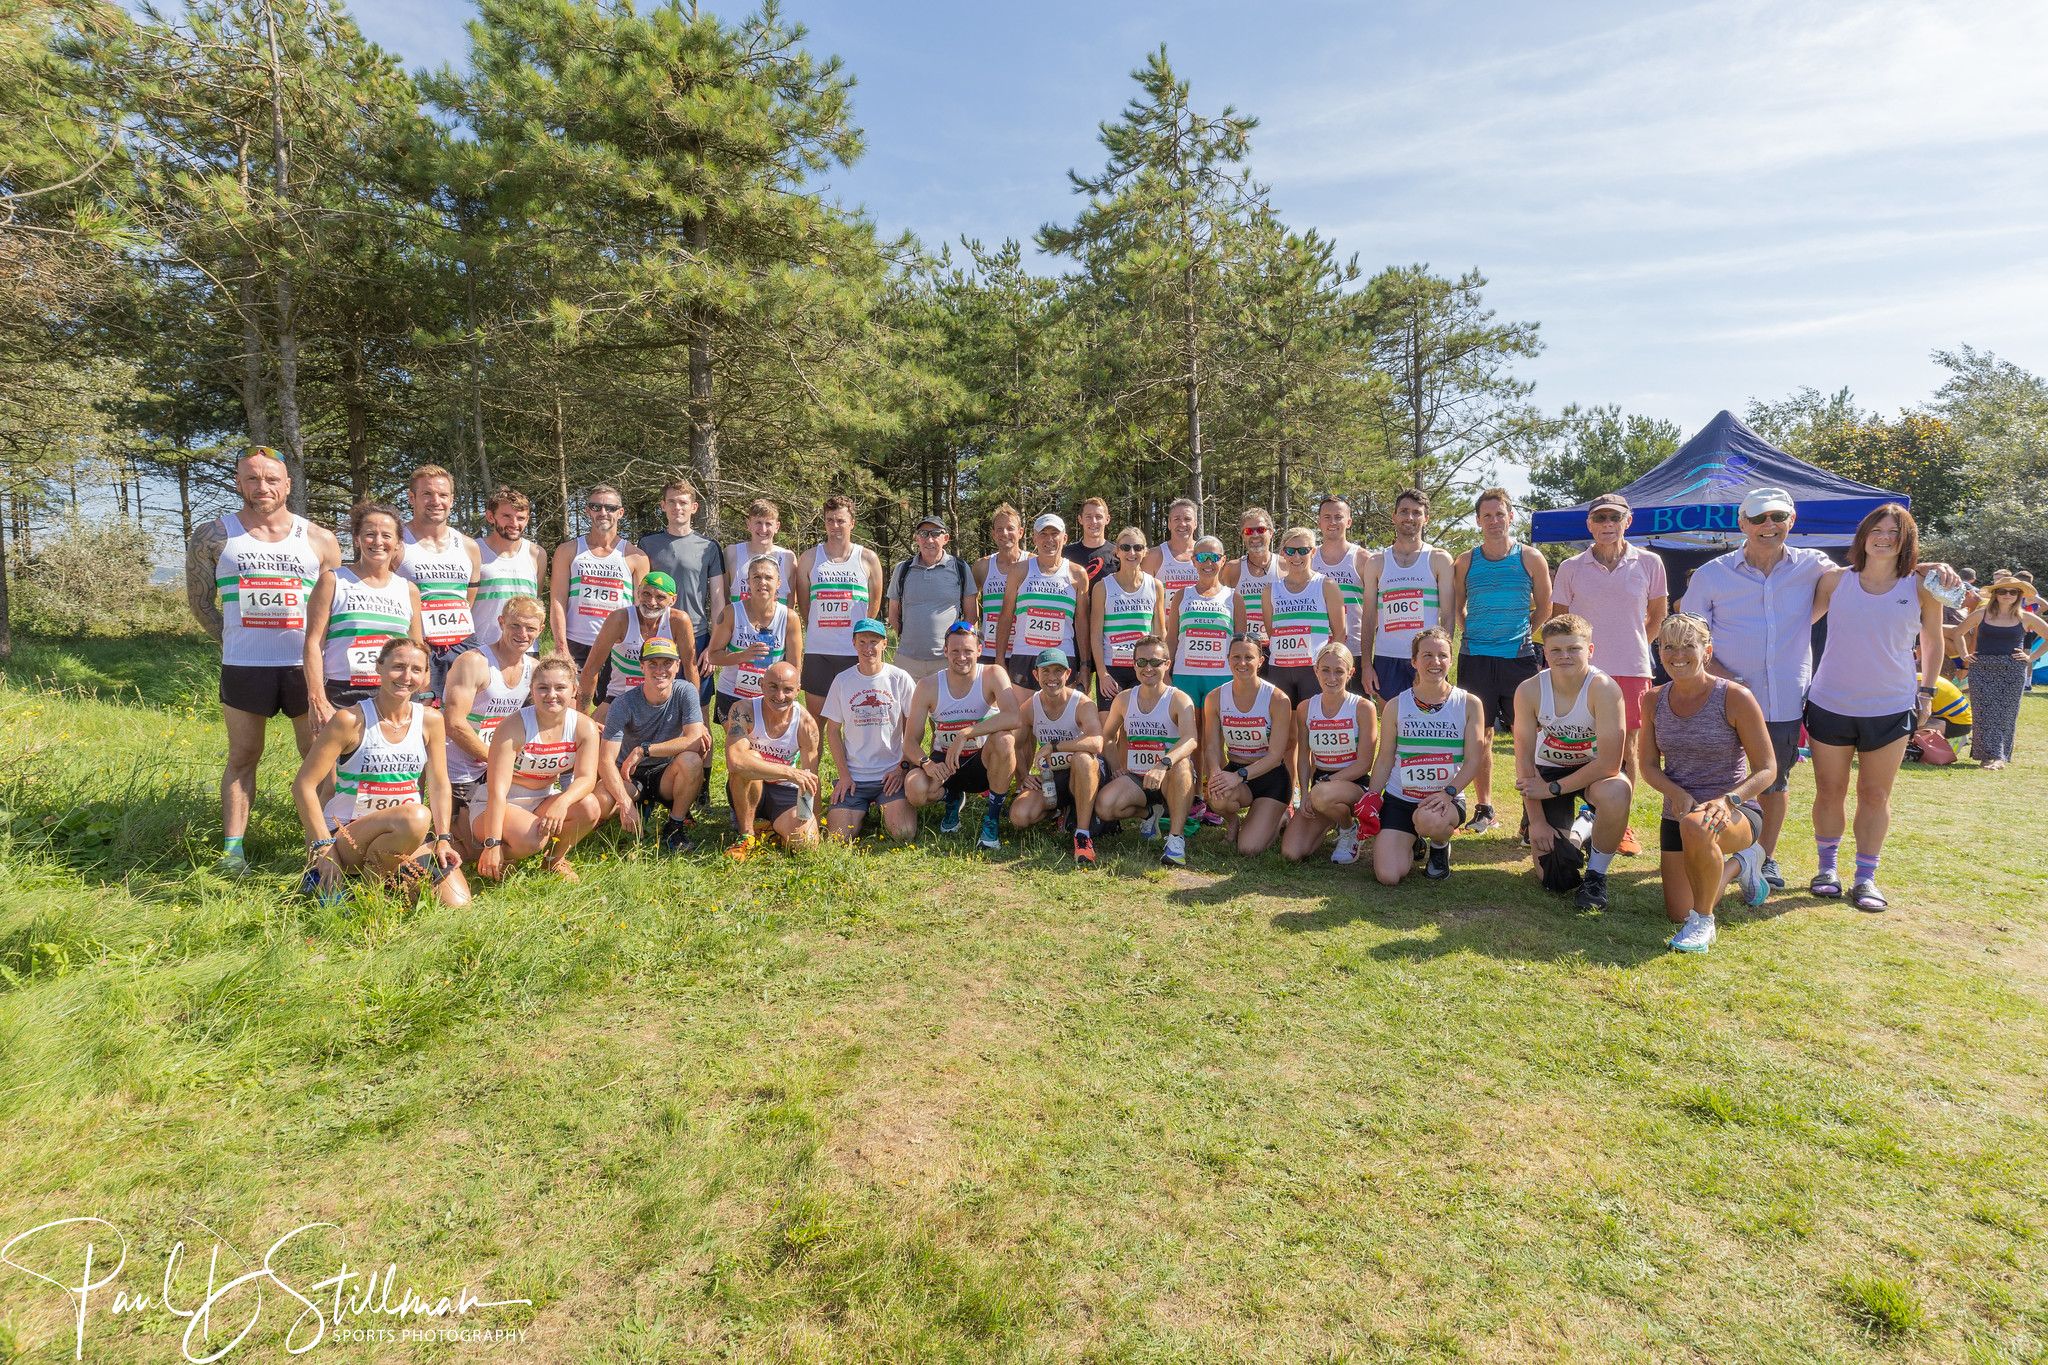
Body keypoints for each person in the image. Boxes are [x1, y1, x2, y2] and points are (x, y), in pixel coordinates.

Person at [1684, 486, 1961, 888]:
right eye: (1759, 518)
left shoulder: (1815, 567)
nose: (1768, 525)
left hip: (1788, 700)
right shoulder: (1721, 574)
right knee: (1712, 780)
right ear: (1742, 522)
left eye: (1777, 517)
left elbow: (1893, 580)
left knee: (1776, 784)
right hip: (1732, 698)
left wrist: (1933, 568)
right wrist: (1721, 672)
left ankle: (1768, 861)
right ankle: (1699, 852)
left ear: (1791, 522)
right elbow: (1690, 630)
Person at [186, 446, 342, 874]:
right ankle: (232, 853)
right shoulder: (213, 535)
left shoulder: (320, 539)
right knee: (243, 756)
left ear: (288, 484)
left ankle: (325, 846)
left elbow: (336, 604)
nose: (262, 487)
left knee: (317, 757)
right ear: (239, 483)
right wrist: (233, 638)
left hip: (304, 667)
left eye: (272, 479)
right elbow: (200, 602)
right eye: (252, 479)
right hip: (244, 666)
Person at [1804, 504, 1944, 912]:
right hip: (1830, 700)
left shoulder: (1922, 587)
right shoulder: (1834, 581)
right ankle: (1827, 869)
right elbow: (1797, 626)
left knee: (1875, 793)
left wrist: (1928, 692)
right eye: (1876, 530)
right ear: (1863, 536)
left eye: (1894, 532)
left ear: (1906, 541)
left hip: (1890, 705)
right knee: (1830, 790)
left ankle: (1866, 877)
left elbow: (1934, 642)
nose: (1884, 538)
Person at [291, 637, 470, 908]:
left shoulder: (431, 720)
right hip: (346, 836)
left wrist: (444, 838)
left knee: (458, 904)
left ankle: (382, 882)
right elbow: (303, 786)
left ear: (425, 676)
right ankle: (370, 893)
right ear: (379, 668)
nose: (406, 677)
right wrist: (324, 848)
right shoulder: (349, 720)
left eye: (416, 670)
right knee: (417, 814)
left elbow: (440, 784)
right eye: (398, 666)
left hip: (405, 835)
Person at [1639, 614, 1775, 953]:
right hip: (1679, 815)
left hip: (1736, 812)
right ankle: (1741, 864)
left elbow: (1767, 769)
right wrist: (1676, 793)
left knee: (1698, 833)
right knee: (1675, 912)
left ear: (1707, 651)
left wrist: (1728, 801)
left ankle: (1703, 923)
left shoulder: (1735, 697)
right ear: (1659, 653)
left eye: (1689, 645)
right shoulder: (1653, 699)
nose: (1678, 654)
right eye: (1668, 646)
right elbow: (1647, 766)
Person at [1550, 493, 1668, 856]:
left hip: (1632, 669)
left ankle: (1619, 824)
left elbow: (1657, 617)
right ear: (1589, 524)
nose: (1606, 525)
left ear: (1627, 521)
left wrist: (1632, 646)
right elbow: (1559, 622)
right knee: (1574, 743)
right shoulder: (1571, 567)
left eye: (1614, 518)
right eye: (1599, 518)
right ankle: (1563, 818)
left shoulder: (1650, 563)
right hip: (1580, 672)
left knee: (1627, 751)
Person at [1510, 615, 1630, 910]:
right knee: (1556, 877)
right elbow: (1524, 759)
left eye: (1573, 649)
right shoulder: (1529, 690)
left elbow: (1610, 764)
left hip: (1593, 772)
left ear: (1590, 650)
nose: (1565, 656)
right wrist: (1537, 822)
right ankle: (1582, 828)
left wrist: (1552, 789)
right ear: (1544, 653)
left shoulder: (1604, 688)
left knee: (1616, 791)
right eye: (1556, 650)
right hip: (1548, 770)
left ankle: (1596, 876)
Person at [1450, 487, 1551, 836]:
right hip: (1475, 658)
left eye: (1500, 514)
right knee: (1480, 737)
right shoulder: (1465, 561)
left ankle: (1531, 815)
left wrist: (1523, 633)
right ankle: (1485, 808)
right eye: (1487, 515)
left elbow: (1546, 607)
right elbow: (1457, 607)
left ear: (1511, 517)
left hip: (1518, 660)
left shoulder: (1531, 557)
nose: (1494, 521)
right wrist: (1473, 633)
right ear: (1478, 521)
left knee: (1528, 737)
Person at [468, 655, 604, 883]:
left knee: (589, 807)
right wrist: (493, 842)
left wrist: (562, 802)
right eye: (543, 688)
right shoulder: (513, 726)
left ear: (574, 690)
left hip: (542, 800)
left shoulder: (584, 726)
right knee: (533, 839)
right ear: (532, 690)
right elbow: (497, 791)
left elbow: (586, 779)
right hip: (497, 804)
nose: (551, 695)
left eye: (560, 687)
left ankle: (553, 861)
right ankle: (483, 853)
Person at [1364, 627, 1483, 885]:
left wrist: (1448, 793)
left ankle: (1439, 846)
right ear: (1414, 661)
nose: (1435, 662)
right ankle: (1413, 840)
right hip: (1401, 798)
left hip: (1444, 800)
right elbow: (1385, 758)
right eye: (1427, 655)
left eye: (1442, 655)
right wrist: (1372, 797)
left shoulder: (1469, 703)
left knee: (1429, 819)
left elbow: (1474, 760)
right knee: (1388, 876)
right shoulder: (1396, 705)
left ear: (1451, 660)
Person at [304, 501, 424, 728]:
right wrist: (317, 697)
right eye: (370, 534)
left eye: (386, 536)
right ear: (357, 539)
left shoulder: (408, 590)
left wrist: (421, 693)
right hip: (343, 691)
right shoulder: (333, 581)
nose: (378, 542)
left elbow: (417, 648)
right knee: (337, 763)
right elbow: (312, 642)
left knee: (389, 763)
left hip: (394, 691)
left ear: (398, 543)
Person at [904, 622, 1021, 850]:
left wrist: (966, 733)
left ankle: (992, 820)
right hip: (946, 765)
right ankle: (951, 797)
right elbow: (909, 741)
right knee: (915, 789)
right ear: (945, 651)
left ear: (979, 650)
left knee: (1005, 740)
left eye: (968, 651)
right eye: (955, 651)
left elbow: (1014, 717)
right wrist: (926, 764)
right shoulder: (928, 685)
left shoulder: (993, 674)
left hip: (984, 764)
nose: (962, 657)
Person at [596, 635, 710, 854]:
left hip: (666, 773)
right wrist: (623, 802)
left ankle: (674, 826)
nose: (660, 670)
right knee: (600, 799)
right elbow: (606, 760)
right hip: (630, 775)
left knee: (692, 760)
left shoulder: (685, 691)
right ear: (642, 667)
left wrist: (644, 750)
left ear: (677, 665)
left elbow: (694, 740)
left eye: (667, 663)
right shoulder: (622, 703)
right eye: (653, 664)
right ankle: (624, 812)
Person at [440, 593, 543, 831]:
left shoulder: (533, 668)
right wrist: (497, 759)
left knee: (520, 829)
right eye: (515, 625)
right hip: (462, 770)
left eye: (530, 628)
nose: (522, 634)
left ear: (541, 630)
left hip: (497, 766)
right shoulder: (474, 662)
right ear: (501, 622)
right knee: (470, 844)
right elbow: (454, 723)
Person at [1095, 635, 1199, 867]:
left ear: (1167, 664)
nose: (1148, 668)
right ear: (1133, 665)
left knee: (1181, 763)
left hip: (1171, 777)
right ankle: (1149, 814)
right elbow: (1108, 737)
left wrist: (1164, 763)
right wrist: (1117, 767)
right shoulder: (1123, 699)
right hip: (1138, 778)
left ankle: (1175, 840)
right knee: (1105, 807)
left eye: (1154, 662)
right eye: (1141, 662)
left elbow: (1191, 739)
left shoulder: (1179, 699)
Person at [822, 618, 918, 842]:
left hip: (891, 775)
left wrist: (903, 767)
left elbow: (914, 725)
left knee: (903, 835)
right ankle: (860, 809)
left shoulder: (899, 678)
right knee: (837, 839)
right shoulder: (843, 680)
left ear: (885, 643)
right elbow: (833, 730)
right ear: (854, 643)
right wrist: (844, 775)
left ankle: (886, 807)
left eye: (874, 641)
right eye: (862, 641)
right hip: (855, 777)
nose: (868, 648)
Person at [1280, 642, 1376, 866]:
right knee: (1292, 852)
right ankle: (1332, 818)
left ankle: (1349, 828)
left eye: (1339, 671)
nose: (1331, 677)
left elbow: (1365, 763)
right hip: (1321, 788)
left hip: (1354, 784)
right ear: (1315, 670)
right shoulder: (1305, 708)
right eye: (1325, 670)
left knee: (1322, 794)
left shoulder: (1362, 707)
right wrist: (1304, 794)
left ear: (1351, 673)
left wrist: (1325, 784)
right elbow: (1303, 756)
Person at [1008, 650, 1107, 864]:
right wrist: (1023, 775)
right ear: (1036, 674)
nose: (1052, 677)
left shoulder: (1082, 703)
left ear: (1068, 674)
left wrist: (1054, 746)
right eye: (1046, 671)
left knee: (1082, 759)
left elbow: (1097, 743)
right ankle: (1061, 811)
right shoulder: (1030, 707)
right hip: (1052, 778)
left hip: (1084, 774)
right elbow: (1014, 746)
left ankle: (1082, 835)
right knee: (1019, 816)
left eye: (1058, 671)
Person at [551, 483, 647, 701]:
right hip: (576, 643)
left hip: (618, 645)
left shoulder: (635, 556)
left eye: (611, 508)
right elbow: (557, 599)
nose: (603, 512)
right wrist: (561, 647)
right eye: (596, 507)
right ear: (588, 511)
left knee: (613, 712)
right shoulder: (568, 551)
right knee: (571, 709)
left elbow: (641, 609)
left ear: (620, 513)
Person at [1359, 486, 1455, 702]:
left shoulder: (1439, 559)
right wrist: (1366, 664)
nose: (1409, 517)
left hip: (1427, 658)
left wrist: (1444, 659)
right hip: (1387, 657)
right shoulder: (1376, 562)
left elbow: (1448, 616)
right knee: (1391, 726)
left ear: (1426, 518)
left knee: (1429, 724)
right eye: (1403, 511)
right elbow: (1368, 618)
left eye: (1416, 512)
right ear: (1394, 517)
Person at [397, 464, 484, 698]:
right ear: (412, 498)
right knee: (419, 717)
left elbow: (469, 598)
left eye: (443, 495)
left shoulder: (469, 546)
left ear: (452, 499)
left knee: (463, 717)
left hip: (462, 644)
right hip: (417, 646)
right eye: (427, 494)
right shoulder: (396, 543)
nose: (436, 501)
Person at [1202, 635, 1294, 856]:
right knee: (1217, 795)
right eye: (1236, 657)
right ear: (1227, 659)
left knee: (1249, 848)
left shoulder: (1278, 699)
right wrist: (1216, 773)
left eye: (1248, 657)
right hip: (1236, 771)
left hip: (1271, 778)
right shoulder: (1215, 698)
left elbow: (1275, 755)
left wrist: (1239, 776)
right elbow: (1212, 747)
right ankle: (1233, 823)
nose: (1241, 663)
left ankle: (1279, 817)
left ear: (1260, 661)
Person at [794, 494, 884, 717]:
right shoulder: (809, 557)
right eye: (830, 520)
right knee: (815, 725)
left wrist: (859, 631)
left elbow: (874, 604)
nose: (835, 526)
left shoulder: (868, 558)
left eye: (841, 520)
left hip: (854, 651)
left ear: (852, 523)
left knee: (857, 721)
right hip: (819, 652)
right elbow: (804, 605)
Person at [639, 477, 726, 705]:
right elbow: (640, 594)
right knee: (655, 700)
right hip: (656, 633)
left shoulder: (709, 547)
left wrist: (714, 646)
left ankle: (699, 742)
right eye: (672, 502)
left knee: (697, 704)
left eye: (683, 503)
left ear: (694, 507)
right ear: (663, 505)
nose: (678, 507)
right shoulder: (647, 544)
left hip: (696, 635)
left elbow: (718, 599)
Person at [725, 659, 822, 855]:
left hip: (785, 792)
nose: (779, 696)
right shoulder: (743, 710)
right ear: (761, 684)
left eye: (787, 689)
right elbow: (735, 761)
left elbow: (810, 778)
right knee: (749, 757)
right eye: (772, 687)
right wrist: (789, 772)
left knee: (806, 845)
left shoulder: (806, 724)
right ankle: (746, 834)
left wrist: (815, 820)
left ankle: (769, 827)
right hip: (749, 784)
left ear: (798, 691)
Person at [993, 513, 1092, 699]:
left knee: (1060, 721)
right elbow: (1006, 616)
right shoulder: (1019, 571)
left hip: (1062, 656)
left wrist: (1085, 665)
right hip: (1024, 655)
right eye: (1043, 534)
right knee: (1022, 722)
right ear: (1034, 538)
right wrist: (1000, 660)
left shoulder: (1078, 574)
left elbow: (1081, 623)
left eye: (1054, 534)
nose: (1049, 540)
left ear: (1065, 538)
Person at [707, 553, 803, 740]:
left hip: (771, 697)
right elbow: (713, 656)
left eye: (768, 577)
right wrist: (742, 656)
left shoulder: (789, 618)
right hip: (733, 694)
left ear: (779, 583)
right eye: (756, 577)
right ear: (748, 582)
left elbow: (795, 666)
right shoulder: (732, 612)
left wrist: (787, 695)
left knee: (763, 749)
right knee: (741, 748)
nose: (762, 582)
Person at [579, 570, 697, 719]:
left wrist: (695, 716)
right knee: (590, 738)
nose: (652, 602)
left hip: (662, 701)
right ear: (638, 592)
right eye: (646, 594)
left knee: (694, 738)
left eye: (660, 597)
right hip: (620, 697)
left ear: (672, 600)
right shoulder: (619, 619)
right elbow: (591, 669)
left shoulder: (679, 621)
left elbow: (690, 666)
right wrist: (582, 719)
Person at [1958, 576, 2047, 769]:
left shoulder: (2025, 616)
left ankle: (1998, 757)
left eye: (2013, 592)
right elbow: (1958, 633)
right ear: (1995, 594)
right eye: (2002, 591)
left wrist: (2031, 658)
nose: (2007, 595)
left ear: (2019, 595)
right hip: (1982, 668)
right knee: (1983, 713)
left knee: (2005, 714)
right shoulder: (1982, 614)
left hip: (2012, 670)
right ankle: (1987, 755)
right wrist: (1965, 655)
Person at [1258, 526, 1346, 706]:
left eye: (1303, 551)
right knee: (1284, 727)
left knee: (1312, 725)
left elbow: (1339, 634)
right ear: (1283, 553)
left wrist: (1329, 668)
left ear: (1313, 551)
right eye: (1290, 551)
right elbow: (1272, 633)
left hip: (1313, 669)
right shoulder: (1270, 591)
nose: (1296, 557)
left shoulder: (1327, 585)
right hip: (1280, 668)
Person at [884, 514, 975, 682]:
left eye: (935, 533)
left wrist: (956, 649)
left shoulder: (960, 568)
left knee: (946, 709)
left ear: (945, 538)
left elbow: (971, 615)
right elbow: (893, 614)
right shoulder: (902, 569)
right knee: (907, 709)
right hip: (907, 661)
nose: (929, 539)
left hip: (946, 661)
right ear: (917, 538)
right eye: (923, 534)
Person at [1092, 527, 1165, 701]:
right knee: (1109, 727)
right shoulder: (1102, 587)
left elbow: (1160, 633)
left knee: (1138, 726)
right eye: (1125, 548)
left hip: (1143, 668)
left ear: (1145, 551)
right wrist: (1103, 674)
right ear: (1117, 551)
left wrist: (1157, 670)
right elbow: (1095, 635)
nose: (1131, 552)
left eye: (1138, 548)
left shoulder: (1155, 586)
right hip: (1112, 668)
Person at [474, 485, 546, 653]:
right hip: (483, 647)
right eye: (506, 516)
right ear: (491, 517)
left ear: (527, 519)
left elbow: (535, 601)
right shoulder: (474, 550)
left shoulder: (537, 554)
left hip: (526, 649)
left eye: (520, 518)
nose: (514, 523)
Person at [1310, 495, 1368, 691]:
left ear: (1349, 521)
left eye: (1338, 517)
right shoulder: (1308, 557)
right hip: (1316, 650)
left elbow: (1375, 609)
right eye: (1327, 517)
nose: (1332, 522)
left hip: (1353, 649)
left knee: (1355, 713)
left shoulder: (1362, 558)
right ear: (1319, 522)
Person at [973, 503, 1028, 669]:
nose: (1005, 533)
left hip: (1023, 649)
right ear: (993, 534)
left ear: (1020, 532)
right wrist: (974, 635)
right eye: (999, 529)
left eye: (1010, 528)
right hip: (989, 650)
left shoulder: (1033, 563)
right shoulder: (982, 566)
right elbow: (971, 602)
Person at [1223, 506, 1281, 646]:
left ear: (1271, 532)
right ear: (1243, 535)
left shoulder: (1285, 566)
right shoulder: (1232, 568)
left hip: (1276, 646)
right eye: (1249, 531)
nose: (1255, 535)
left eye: (1260, 530)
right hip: (1244, 648)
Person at [724, 498, 795, 606]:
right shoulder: (732, 553)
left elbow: (791, 603)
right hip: (740, 622)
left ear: (777, 527)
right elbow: (723, 598)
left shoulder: (788, 558)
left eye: (768, 524)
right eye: (758, 522)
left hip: (777, 622)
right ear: (748, 524)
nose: (763, 529)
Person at [1142, 497, 1201, 599]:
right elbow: (1143, 596)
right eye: (1176, 519)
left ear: (1195, 523)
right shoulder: (1153, 556)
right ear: (1169, 524)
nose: (1182, 524)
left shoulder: (1206, 555)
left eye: (1187, 519)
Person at [1064, 495, 1116, 586]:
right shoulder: (1065, 554)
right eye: (1088, 517)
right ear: (1080, 519)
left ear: (1107, 519)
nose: (1094, 521)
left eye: (1098, 516)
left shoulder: (1118, 554)